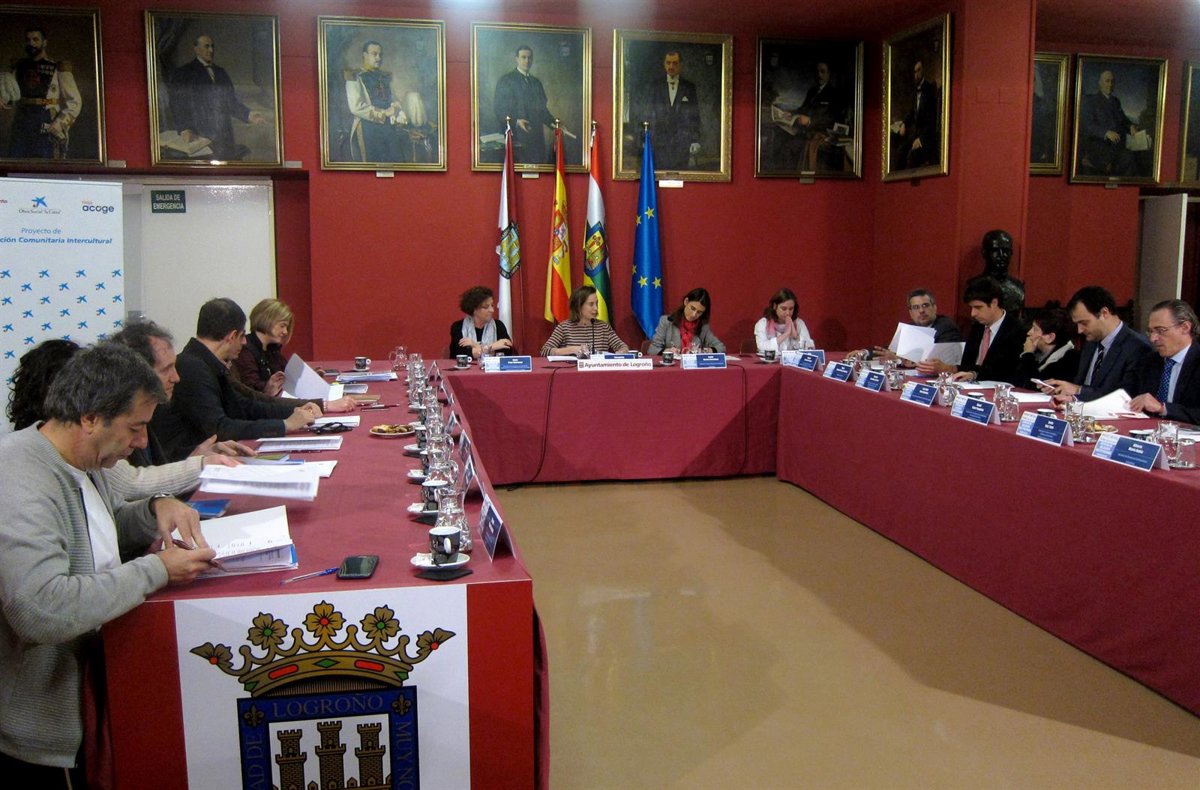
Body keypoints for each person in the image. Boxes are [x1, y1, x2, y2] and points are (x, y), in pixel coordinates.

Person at [0, 343, 214, 785]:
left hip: (88, 689)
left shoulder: (83, 460)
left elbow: (96, 530)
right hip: (39, 728)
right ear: (90, 418)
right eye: (135, 428)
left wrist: (154, 509)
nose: (142, 442)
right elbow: (40, 607)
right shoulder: (20, 478)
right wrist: (157, 570)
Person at [6, 336, 243, 500]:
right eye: (165, 369)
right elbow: (132, 483)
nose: (176, 377)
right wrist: (200, 465)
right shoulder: (28, 475)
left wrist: (154, 509)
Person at [151, 298, 316, 461]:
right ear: (232, 336)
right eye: (242, 336)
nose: (244, 342)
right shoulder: (193, 368)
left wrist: (294, 411)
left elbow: (245, 405)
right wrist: (285, 425)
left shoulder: (204, 362)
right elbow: (219, 429)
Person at [111, 321, 255, 469]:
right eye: (166, 369)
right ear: (138, 374)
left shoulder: (158, 410)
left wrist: (197, 455)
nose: (176, 378)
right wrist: (193, 464)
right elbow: (138, 479)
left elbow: (161, 462)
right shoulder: (118, 422)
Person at [232, 299, 355, 412]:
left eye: (286, 327)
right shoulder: (245, 352)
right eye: (282, 326)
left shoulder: (272, 350)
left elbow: (287, 377)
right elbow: (251, 392)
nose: (285, 332)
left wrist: (308, 378)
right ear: (266, 320)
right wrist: (266, 388)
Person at [1043, 286, 1154, 401]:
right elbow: (1081, 384)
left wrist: (1078, 390)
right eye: (1077, 324)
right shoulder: (1091, 342)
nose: (1079, 330)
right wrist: (1063, 390)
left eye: (1084, 323)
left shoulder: (1138, 348)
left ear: (1104, 313)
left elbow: (1126, 397)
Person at [168, 34, 265, 161]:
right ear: (196, 49)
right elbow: (177, 105)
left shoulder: (221, 72)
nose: (211, 50)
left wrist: (250, 115)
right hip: (199, 136)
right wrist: (184, 129)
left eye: (212, 47)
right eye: (206, 46)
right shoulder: (183, 73)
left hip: (224, 136)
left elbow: (231, 102)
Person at [917, 277, 1023, 383]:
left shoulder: (1017, 330)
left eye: (978, 307)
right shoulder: (977, 327)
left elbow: (1005, 371)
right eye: (971, 308)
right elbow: (967, 364)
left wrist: (972, 374)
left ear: (994, 303)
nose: (973, 314)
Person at [0, 26, 81, 159]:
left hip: (46, 123)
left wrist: (59, 124)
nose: (31, 43)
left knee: (45, 163)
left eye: (35, 39)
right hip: (21, 123)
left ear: (44, 42)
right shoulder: (19, 67)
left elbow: (75, 101)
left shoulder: (58, 68)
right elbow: (10, 95)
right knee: (17, 162)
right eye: (28, 40)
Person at [1129, 300, 1200, 422]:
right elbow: (1129, 394)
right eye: (1151, 331)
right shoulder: (1148, 361)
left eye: (1160, 330)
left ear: (1185, 327)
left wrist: (1162, 408)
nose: (1153, 338)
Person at [345, 40, 411, 164]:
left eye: (380, 54)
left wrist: (396, 106)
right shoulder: (354, 76)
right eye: (374, 54)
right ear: (365, 55)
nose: (378, 58)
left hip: (388, 126)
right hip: (367, 126)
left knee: (397, 160)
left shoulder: (384, 76)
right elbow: (356, 107)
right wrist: (384, 113)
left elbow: (393, 98)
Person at [493, 44, 557, 165]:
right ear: (516, 59)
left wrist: (555, 124)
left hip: (536, 138)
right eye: (523, 57)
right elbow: (499, 109)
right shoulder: (506, 81)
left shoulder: (536, 83)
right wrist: (516, 121)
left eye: (529, 58)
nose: (527, 61)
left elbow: (542, 110)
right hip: (516, 138)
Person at [636, 51, 701, 171]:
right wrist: (644, 139)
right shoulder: (655, 86)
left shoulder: (689, 87)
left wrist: (695, 140)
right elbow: (647, 112)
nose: (671, 66)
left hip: (682, 143)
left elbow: (694, 116)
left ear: (680, 65)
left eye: (675, 63)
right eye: (668, 63)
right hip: (658, 143)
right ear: (664, 64)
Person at [1078, 70, 1138, 177]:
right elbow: (1087, 125)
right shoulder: (1090, 101)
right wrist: (1106, 133)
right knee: (1124, 160)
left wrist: (1131, 126)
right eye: (1107, 81)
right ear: (1100, 83)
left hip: (1117, 146)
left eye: (1112, 81)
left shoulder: (1115, 101)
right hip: (1099, 146)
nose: (1110, 84)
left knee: (1133, 158)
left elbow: (1123, 119)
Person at [540, 285, 629, 356]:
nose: (596, 308)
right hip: (572, 371)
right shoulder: (564, 327)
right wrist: (571, 349)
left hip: (598, 371)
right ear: (579, 306)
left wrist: (621, 352)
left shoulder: (603, 327)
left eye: (596, 303)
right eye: (591, 304)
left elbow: (622, 346)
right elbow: (545, 351)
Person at [1014, 309, 1080, 390]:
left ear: (1050, 337)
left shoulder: (1068, 360)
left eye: (1035, 329)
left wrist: (1028, 354)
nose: (1029, 332)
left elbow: (1035, 387)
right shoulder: (1039, 354)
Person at [891, 59, 939, 171]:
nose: (916, 74)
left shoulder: (929, 90)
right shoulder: (915, 91)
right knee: (900, 152)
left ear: (923, 71)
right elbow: (912, 112)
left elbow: (932, 120)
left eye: (919, 70)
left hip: (927, 138)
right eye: (915, 71)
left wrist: (921, 139)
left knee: (911, 157)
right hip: (916, 135)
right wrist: (904, 123)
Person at [648, 287, 725, 355]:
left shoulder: (703, 326)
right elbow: (652, 349)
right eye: (693, 308)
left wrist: (708, 350)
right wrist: (666, 351)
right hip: (673, 365)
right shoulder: (666, 321)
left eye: (699, 312)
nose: (694, 314)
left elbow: (721, 347)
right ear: (686, 301)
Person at [451, 286, 514, 358]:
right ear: (474, 309)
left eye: (492, 305)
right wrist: (492, 347)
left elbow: (507, 349)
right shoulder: (458, 327)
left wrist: (476, 346)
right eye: (486, 307)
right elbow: (459, 354)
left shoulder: (498, 325)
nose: (492, 310)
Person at [754, 288, 813, 353]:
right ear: (775, 306)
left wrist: (796, 337)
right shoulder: (763, 323)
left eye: (791, 309)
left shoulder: (799, 323)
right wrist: (786, 334)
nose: (788, 313)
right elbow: (761, 348)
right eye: (784, 309)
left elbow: (811, 348)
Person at [980, 229, 1025, 315]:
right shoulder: (975, 286)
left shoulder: (1018, 288)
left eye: (1005, 251)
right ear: (984, 253)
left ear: (1011, 253)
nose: (1001, 255)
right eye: (995, 250)